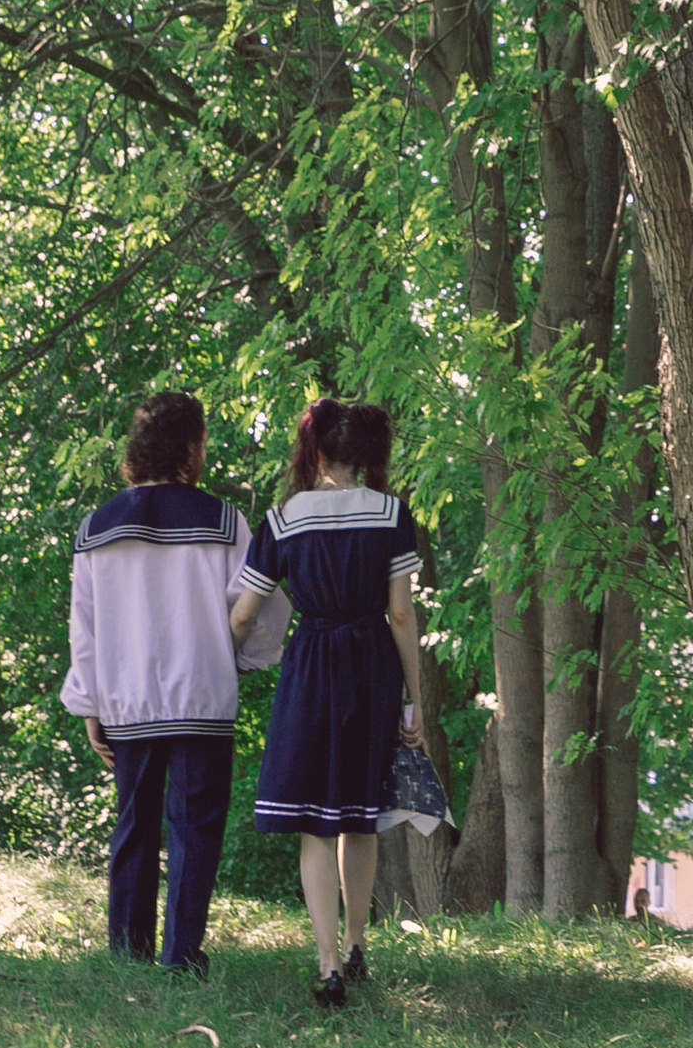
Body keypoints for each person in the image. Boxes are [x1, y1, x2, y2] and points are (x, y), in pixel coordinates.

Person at [230, 398, 425, 1008]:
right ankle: (360, 941)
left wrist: (229, 659)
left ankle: (327, 961)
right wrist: (413, 701)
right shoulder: (391, 512)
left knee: (314, 818)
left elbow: (245, 612)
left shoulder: (284, 519)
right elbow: (399, 613)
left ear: (314, 450)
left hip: (312, 663)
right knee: (359, 812)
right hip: (371, 663)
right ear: (369, 453)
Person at [61, 390, 250, 978]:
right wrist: (232, 657)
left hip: (127, 698)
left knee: (134, 826)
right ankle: (183, 957)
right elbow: (258, 607)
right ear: (193, 448)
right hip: (201, 695)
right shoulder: (223, 520)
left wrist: (90, 702)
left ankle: (127, 952)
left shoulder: (97, 528)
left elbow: (84, 628)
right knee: (195, 830)